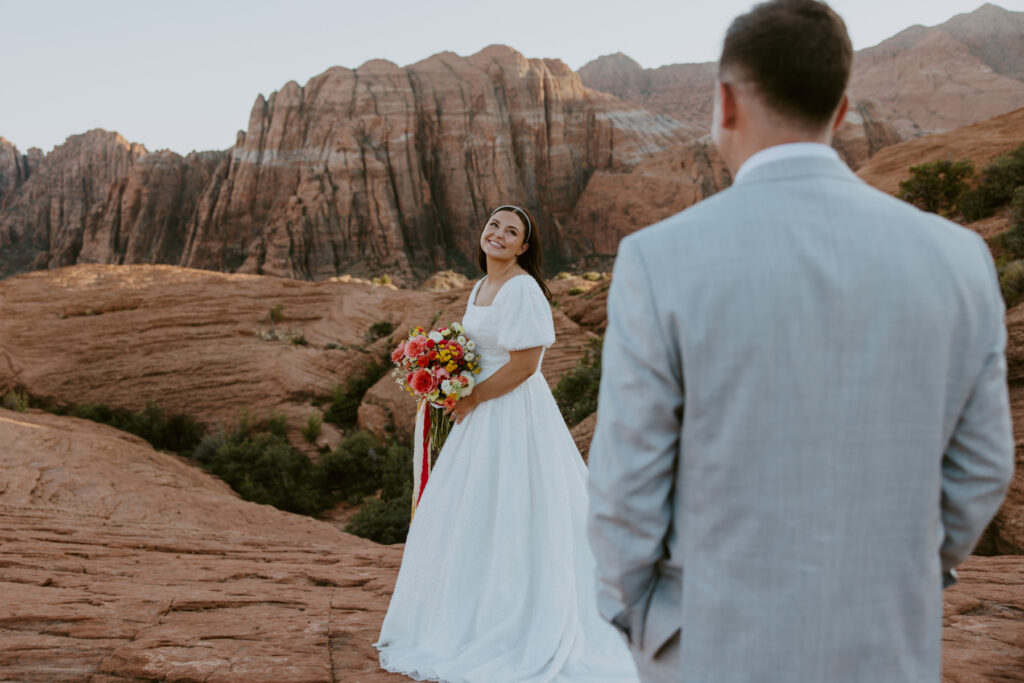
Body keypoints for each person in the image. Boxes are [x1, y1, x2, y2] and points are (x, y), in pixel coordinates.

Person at [586, 1, 1015, 681]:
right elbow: (984, 466)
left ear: (724, 102)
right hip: (887, 643)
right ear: (841, 112)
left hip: (712, 645)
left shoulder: (659, 259)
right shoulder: (958, 256)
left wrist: (639, 620)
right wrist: (899, 576)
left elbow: (626, 485)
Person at [375, 204, 640, 682]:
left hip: (511, 412)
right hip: (478, 413)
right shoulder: (480, 287)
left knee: (518, 510)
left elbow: (525, 366)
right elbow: (474, 349)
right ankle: (467, 618)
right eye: (493, 225)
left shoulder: (522, 289)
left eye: (511, 231)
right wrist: (444, 377)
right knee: (474, 514)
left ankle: (520, 623)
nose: (498, 234)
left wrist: (470, 394)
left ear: (523, 247)